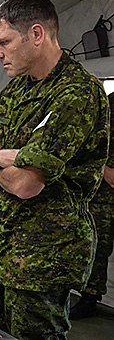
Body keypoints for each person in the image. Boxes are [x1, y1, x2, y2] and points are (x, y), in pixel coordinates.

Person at [0, 0, 109, 339]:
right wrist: (1, 156)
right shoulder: (16, 92)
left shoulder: (76, 93)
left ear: (37, 34)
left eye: (3, 43)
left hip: (42, 260)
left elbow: (27, 185)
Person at [69, 92, 114, 320]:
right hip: (105, 192)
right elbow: (89, 140)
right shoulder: (108, 103)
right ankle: (89, 298)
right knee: (99, 246)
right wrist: (105, 168)